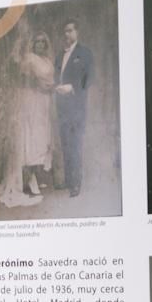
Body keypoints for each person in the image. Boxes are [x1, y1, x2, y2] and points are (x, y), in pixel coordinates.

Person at [0, 27, 55, 209]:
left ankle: (34, 176)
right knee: (31, 141)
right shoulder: (29, 59)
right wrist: (48, 87)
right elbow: (30, 81)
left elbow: (49, 81)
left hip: (45, 103)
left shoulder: (47, 61)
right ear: (33, 44)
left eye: (44, 42)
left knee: (43, 140)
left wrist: (50, 88)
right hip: (31, 102)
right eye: (38, 42)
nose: (41, 45)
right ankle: (31, 179)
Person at [54, 19, 93, 197]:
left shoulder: (84, 53)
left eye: (70, 30)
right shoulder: (60, 54)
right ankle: (69, 180)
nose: (67, 34)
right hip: (62, 106)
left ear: (77, 32)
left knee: (75, 144)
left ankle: (76, 183)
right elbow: (57, 76)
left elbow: (89, 78)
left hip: (77, 106)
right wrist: (57, 86)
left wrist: (73, 88)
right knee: (65, 143)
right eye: (65, 31)